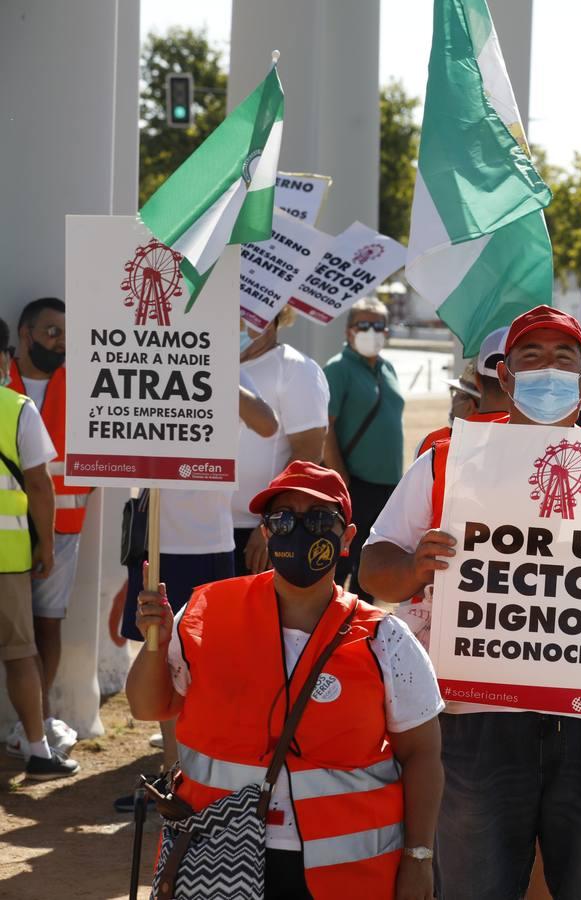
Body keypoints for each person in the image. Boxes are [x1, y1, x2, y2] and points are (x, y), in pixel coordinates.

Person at [359, 306, 581, 900]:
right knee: (475, 885)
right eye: (531, 358)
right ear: (505, 378)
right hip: (476, 717)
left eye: (563, 360)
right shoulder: (448, 462)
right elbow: (376, 568)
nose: (547, 372)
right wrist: (416, 565)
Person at [125, 461, 442, 900]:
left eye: (318, 519)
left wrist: (419, 858)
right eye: (283, 519)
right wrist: (154, 643)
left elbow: (423, 754)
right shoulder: (204, 612)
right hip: (218, 862)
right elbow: (146, 707)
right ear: (266, 532)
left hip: (348, 878)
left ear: (346, 538)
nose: (299, 530)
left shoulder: (384, 639)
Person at [116, 376, 277, 809]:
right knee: (157, 652)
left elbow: (267, 423)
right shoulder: (149, 369)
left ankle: (198, 768)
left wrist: (219, 369)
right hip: (156, 540)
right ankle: (174, 770)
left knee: (204, 659)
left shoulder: (229, 379)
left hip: (210, 543)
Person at [2, 297, 89, 757]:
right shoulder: (5, 384)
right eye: (51, 331)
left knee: (47, 625)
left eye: (64, 333)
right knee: (20, 633)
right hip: (9, 529)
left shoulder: (80, 382)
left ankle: (33, 721)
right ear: (26, 334)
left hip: (64, 525)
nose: (60, 340)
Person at [233, 307, 329, 576]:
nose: (240, 321)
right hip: (209, 531)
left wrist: (271, 525)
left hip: (257, 535)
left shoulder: (295, 369)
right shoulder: (216, 364)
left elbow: (308, 453)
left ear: (272, 317)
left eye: (248, 313)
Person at [324, 297, 405, 603]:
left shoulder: (388, 369)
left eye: (379, 325)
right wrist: (338, 477)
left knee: (368, 565)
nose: (373, 331)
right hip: (352, 484)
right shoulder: (338, 369)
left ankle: (360, 630)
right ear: (349, 331)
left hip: (386, 488)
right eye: (364, 325)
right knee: (340, 561)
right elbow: (325, 427)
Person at [415, 325, 512, 457]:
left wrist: (457, 431)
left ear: (478, 382)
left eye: (460, 394)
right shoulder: (539, 442)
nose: (454, 399)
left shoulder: (432, 446)